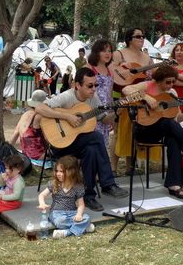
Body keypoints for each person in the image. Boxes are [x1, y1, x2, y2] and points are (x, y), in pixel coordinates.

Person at [35, 67, 128, 212]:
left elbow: (104, 119)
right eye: (89, 86)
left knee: (91, 150)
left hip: (77, 143)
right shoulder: (67, 96)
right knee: (96, 137)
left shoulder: (93, 99)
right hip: (60, 144)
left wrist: (117, 111)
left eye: (96, 85)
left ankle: (88, 196)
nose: (93, 89)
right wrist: (68, 116)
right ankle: (108, 184)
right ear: (77, 85)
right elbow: (40, 108)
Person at [122, 65, 183, 199]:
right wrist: (147, 98)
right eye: (168, 82)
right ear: (158, 80)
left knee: (173, 138)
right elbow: (126, 89)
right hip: (143, 129)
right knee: (168, 124)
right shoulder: (148, 85)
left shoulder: (172, 94)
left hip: (162, 131)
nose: (171, 85)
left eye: (173, 81)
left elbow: (177, 119)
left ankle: (174, 184)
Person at [111, 28, 154, 176]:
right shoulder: (119, 54)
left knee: (133, 131)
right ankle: (113, 168)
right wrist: (125, 74)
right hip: (120, 95)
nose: (141, 38)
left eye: (143, 36)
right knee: (118, 132)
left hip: (138, 97)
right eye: (138, 36)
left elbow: (151, 79)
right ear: (129, 39)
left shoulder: (147, 58)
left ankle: (130, 167)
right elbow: (111, 71)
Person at [38, 155, 94, 239]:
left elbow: (81, 205)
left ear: (71, 172)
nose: (58, 174)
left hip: (72, 213)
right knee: (60, 221)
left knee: (86, 217)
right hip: (57, 213)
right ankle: (84, 228)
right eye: (57, 171)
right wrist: (42, 203)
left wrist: (79, 214)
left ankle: (67, 232)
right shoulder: (54, 184)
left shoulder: (78, 186)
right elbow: (42, 195)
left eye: (61, 171)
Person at [85, 39, 115, 147]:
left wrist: (112, 116)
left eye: (110, 51)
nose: (108, 53)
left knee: (102, 145)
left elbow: (110, 95)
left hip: (105, 115)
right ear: (96, 52)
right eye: (104, 51)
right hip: (90, 112)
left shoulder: (110, 72)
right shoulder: (88, 68)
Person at [10, 90, 46, 160]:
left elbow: (15, 134)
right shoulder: (40, 117)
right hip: (38, 156)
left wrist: (9, 149)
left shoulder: (25, 114)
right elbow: (48, 139)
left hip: (25, 153)